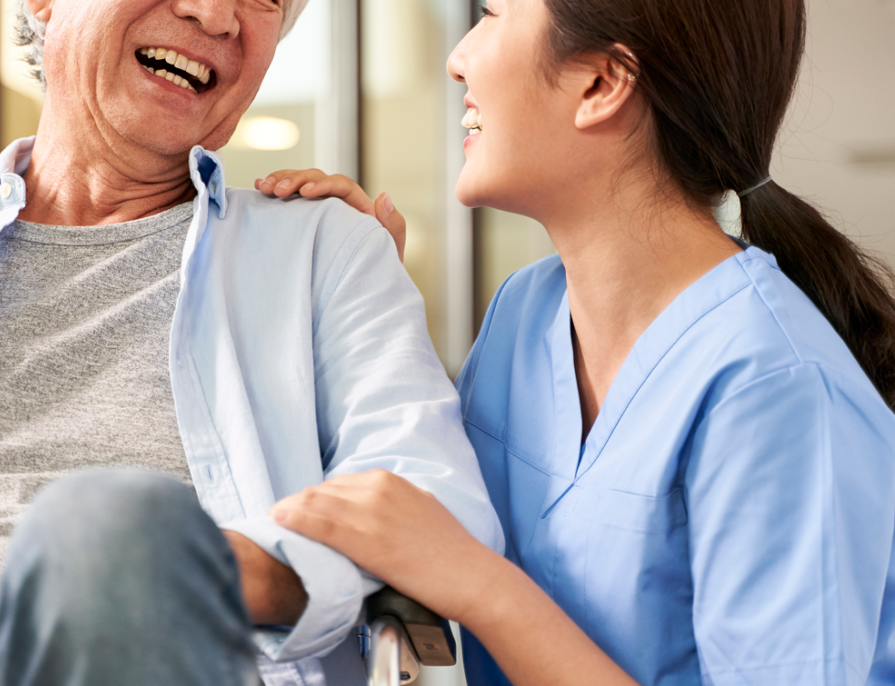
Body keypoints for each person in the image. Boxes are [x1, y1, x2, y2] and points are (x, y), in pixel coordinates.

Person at [254, 0, 895, 684]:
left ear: (599, 85)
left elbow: (449, 556)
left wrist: (481, 586)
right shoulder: (525, 312)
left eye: (493, 13)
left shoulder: (777, 388)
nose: (457, 57)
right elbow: (414, 506)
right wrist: (360, 312)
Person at [0, 0, 504, 684]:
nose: (214, 14)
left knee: (105, 521)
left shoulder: (322, 248)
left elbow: (432, 504)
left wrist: (163, 566)